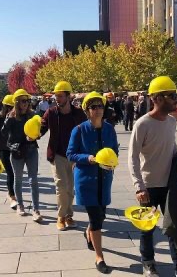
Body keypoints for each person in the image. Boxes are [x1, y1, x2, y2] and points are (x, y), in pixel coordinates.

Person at [128, 76, 177, 277]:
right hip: (149, 186)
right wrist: (139, 186)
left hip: (171, 184)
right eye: (172, 96)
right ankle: (148, 262)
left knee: (173, 227)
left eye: (176, 95)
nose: (176, 100)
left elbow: (171, 146)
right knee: (147, 228)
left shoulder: (171, 122)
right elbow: (132, 157)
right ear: (157, 98)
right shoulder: (142, 124)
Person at [67, 91, 117, 274]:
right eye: (93, 107)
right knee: (96, 219)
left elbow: (114, 151)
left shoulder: (109, 128)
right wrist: (88, 158)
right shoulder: (79, 130)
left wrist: (112, 162)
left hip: (104, 180)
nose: (97, 110)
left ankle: (89, 232)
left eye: (100, 106)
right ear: (87, 111)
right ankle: (99, 257)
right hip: (86, 181)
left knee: (101, 216)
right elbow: (70, 153)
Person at [40, 81, 86, 231]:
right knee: (61, 186)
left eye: (60, 96)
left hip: (75, 156)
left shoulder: (79, 113)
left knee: (70, 188)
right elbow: (41, 129)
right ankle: (61, 217)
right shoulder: (51, 113)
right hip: (58, 154)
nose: (57, 99)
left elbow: (86, 131)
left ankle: (69, 215)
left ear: (68, 96)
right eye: (56, 96)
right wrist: (32, 135)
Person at [2, 88, 42, 222]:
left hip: (31, 149)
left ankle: (36, 209)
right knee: (18, 179)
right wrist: (7, 121)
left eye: (28, 101)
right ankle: (20, 205)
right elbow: (3, 133)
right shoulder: (11, 117)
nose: (26, 103)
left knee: (33, 180)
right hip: (17, 151)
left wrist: (37, 135)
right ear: (17, 102)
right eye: (23, 101)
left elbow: (38, 131)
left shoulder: (32, 114)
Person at [0, 94, 18, 208]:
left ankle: (13, 193)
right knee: (10, 172)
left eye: (12, 107)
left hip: (15, 148)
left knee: (16, 173)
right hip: (3, 149)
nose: (10, 109)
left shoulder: (17, 117)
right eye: (8, 107)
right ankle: (12, 195)